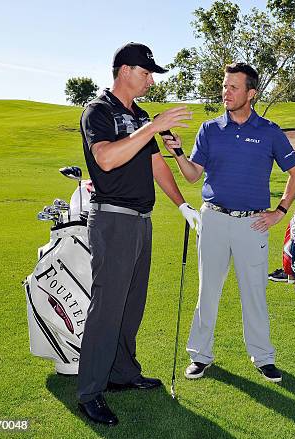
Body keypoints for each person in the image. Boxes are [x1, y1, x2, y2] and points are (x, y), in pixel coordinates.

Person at [77, 42, 201, 426]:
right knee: (107, 307)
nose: (150, 79)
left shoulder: (139, 114)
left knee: (132, 304)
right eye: (146, 73)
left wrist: (181, 204)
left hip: (140, 220)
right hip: (112, 220)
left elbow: (155, 164)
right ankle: (90, 392)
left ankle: (122, 373)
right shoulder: (98, 110)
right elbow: (106, 158)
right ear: (124, 70)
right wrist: (152, 126)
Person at [162, 62, 295, 383]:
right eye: (225, 86)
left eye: (233, 87)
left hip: (251, 224)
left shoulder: (269, 131)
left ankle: (263, 357)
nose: (225, 92)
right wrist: (178, 153)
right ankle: (200, 355)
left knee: (254, 292)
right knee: (207, 291)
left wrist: (280, 211)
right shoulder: (210, 129)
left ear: (251, 93)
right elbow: (192, 175)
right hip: (213, 220)